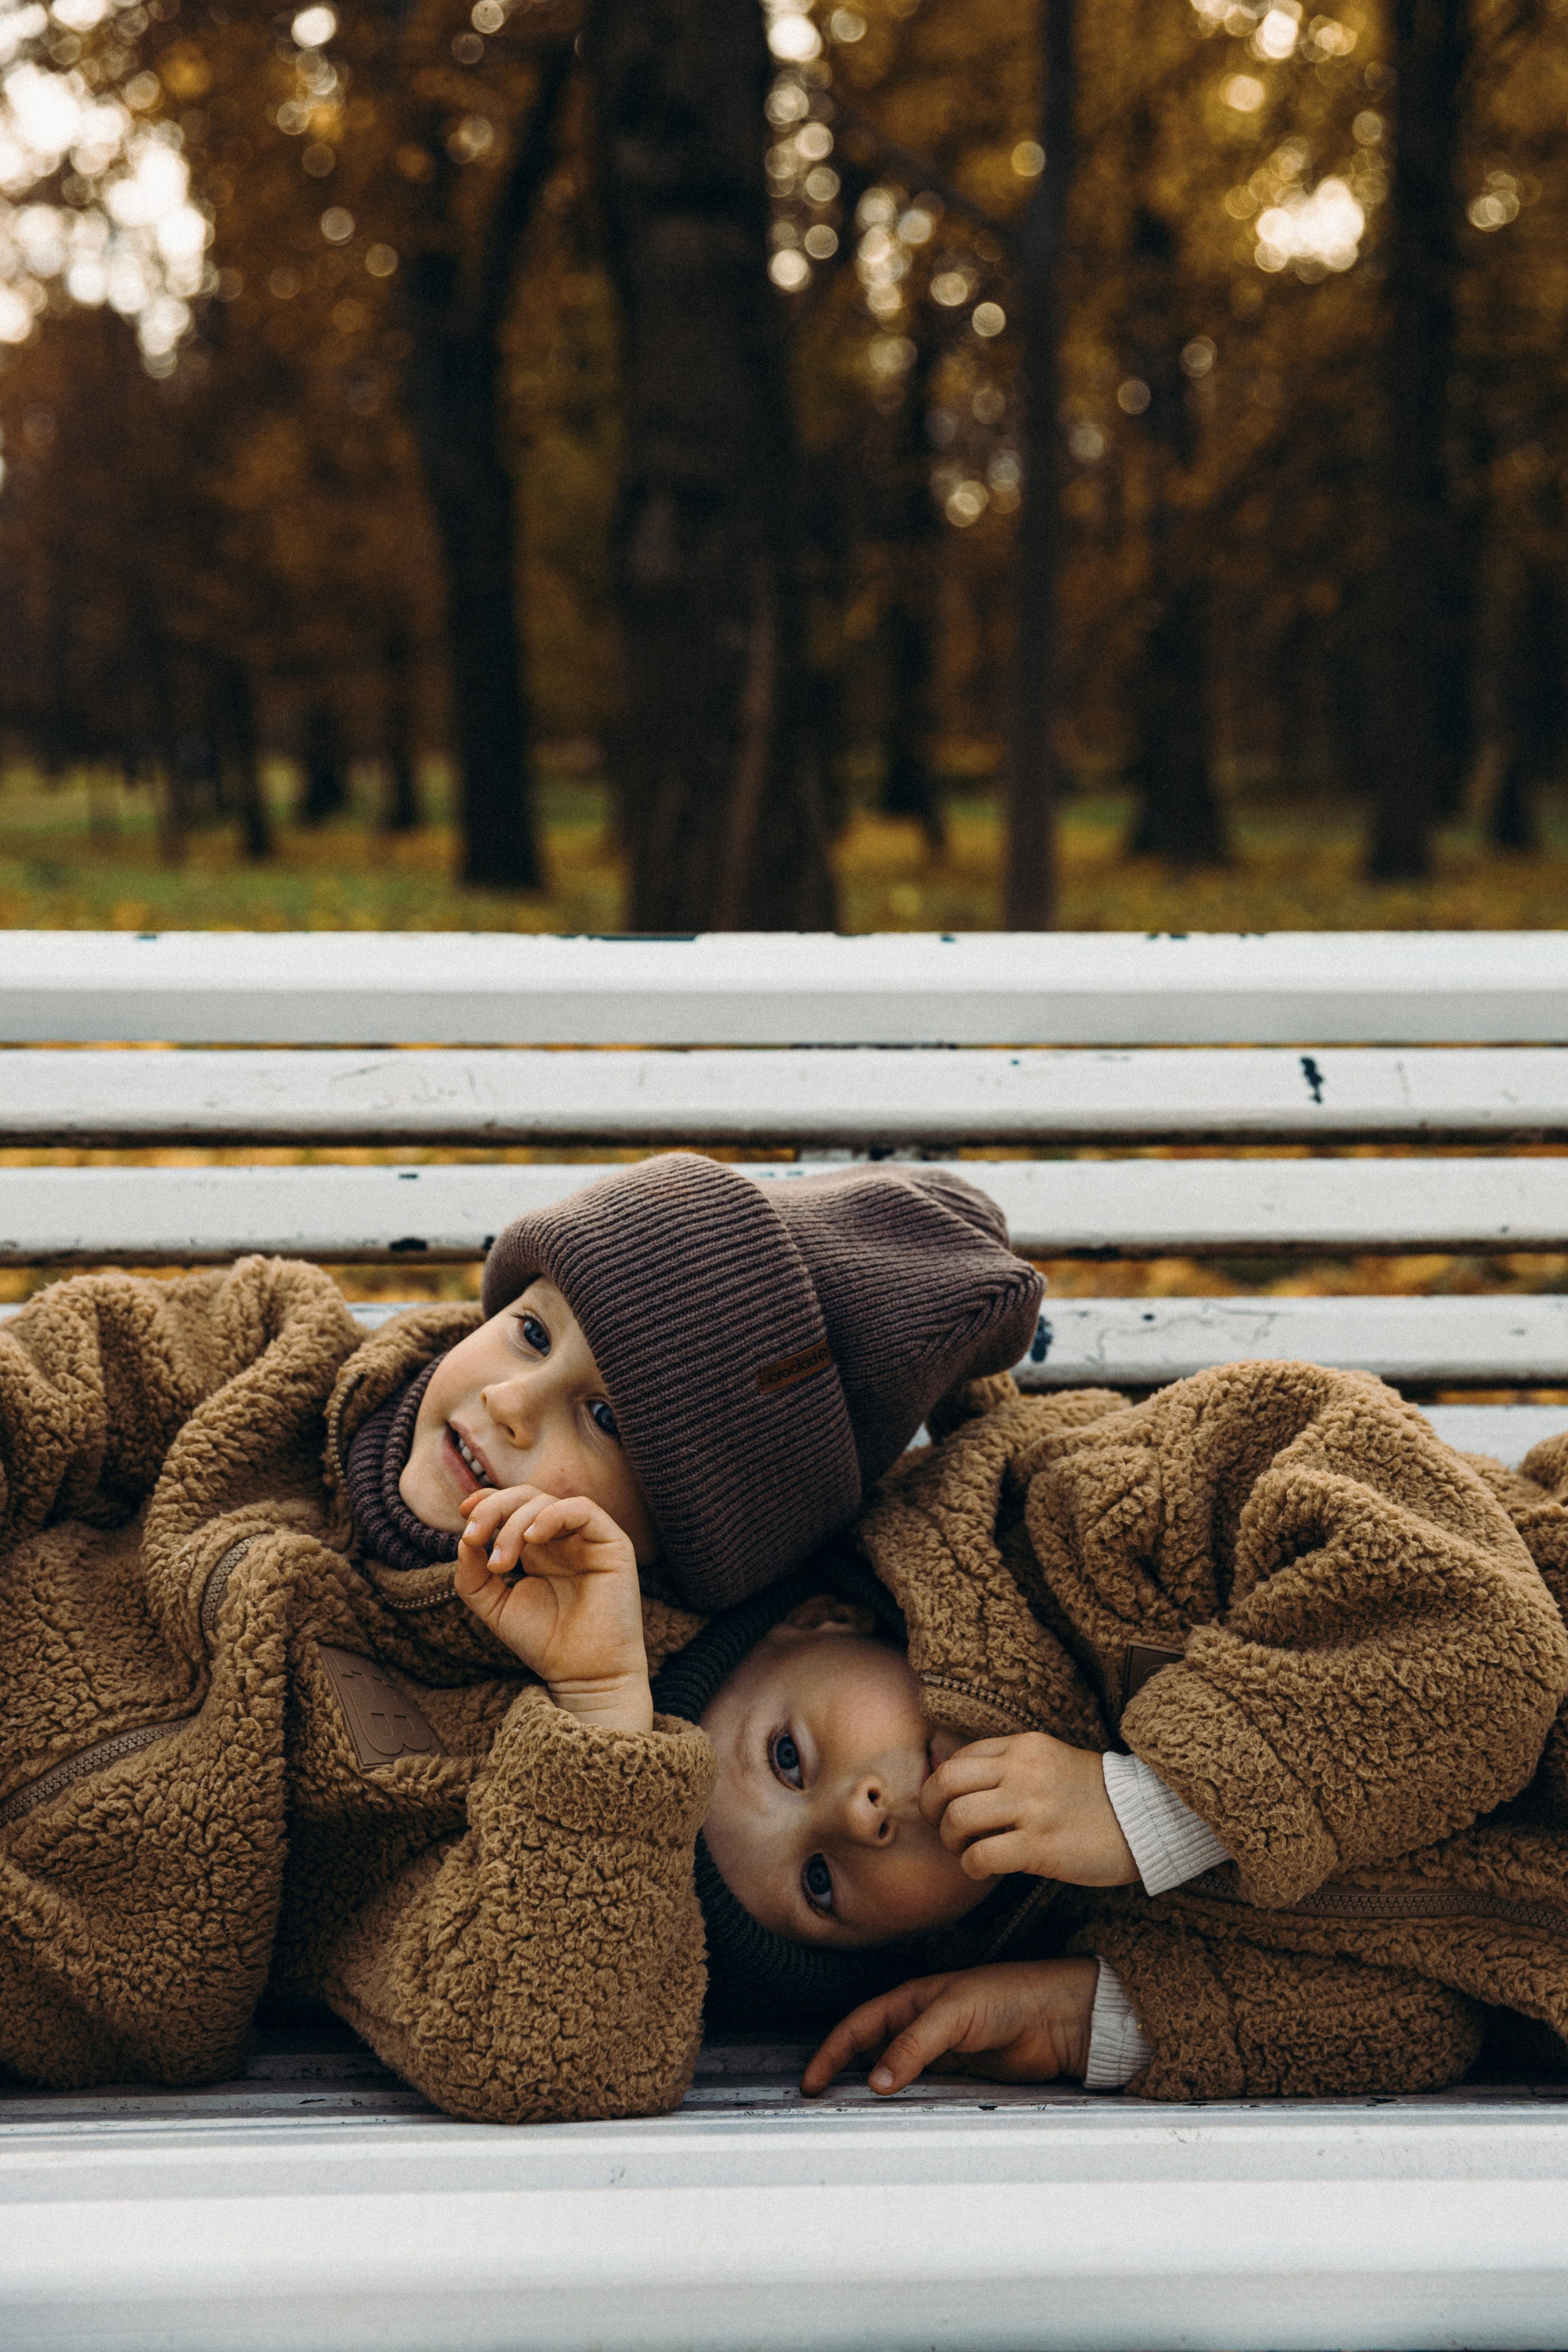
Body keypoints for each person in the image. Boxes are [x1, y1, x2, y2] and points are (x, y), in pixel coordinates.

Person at [0, 1152, 1040, 2121]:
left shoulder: (502, 1763)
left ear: (660, 1545)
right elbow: (43, 1384)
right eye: (536, 1334)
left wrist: (597, 1713)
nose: (510, 1400)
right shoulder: (276, 1359)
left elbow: (547, 2051)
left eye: (605, 1422)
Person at [454, 1354, 1568, 2105]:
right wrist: (1106, 2016)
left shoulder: (1066, 1519)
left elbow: (1482, 1632)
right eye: (825, 1887)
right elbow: (1437, 2018)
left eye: (788, 1758)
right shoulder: (1070, 1914)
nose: (859, 1814)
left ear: (820, 1620)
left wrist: (1152, 1806)